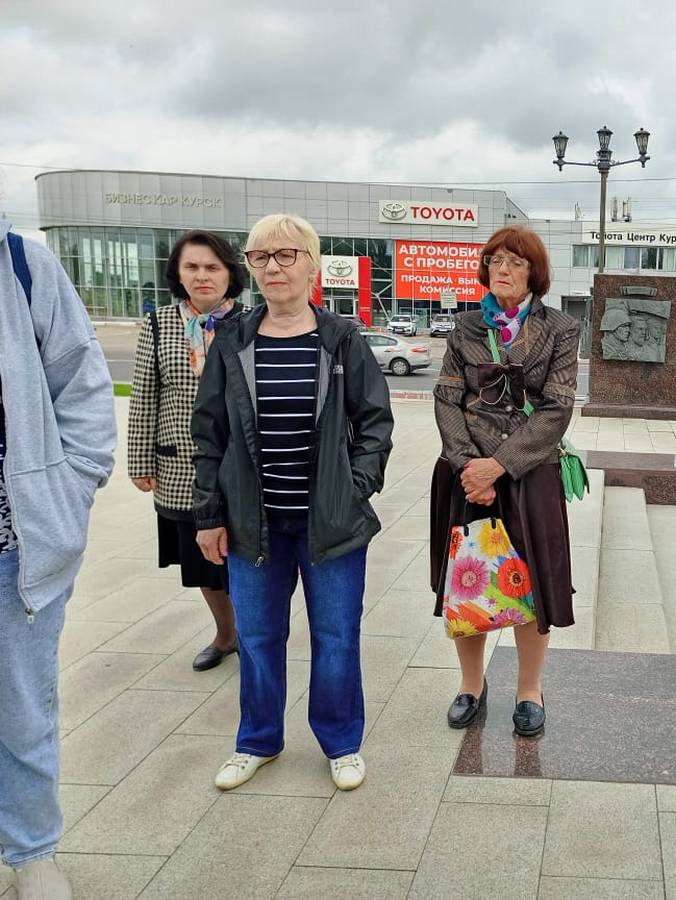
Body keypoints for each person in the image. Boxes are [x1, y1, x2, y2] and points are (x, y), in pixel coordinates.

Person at [191, 214, 393, 792]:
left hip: (330, 524)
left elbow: (375, 422)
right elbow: (209, 433)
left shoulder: (341, 338)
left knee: (337, 637)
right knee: (256, 638)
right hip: (252, 524)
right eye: (261, 257)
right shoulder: (233, 340)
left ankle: (341, 741)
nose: (273, 267)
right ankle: (257, 740)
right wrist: (209, 515)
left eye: (286, 255)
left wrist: (354, 488)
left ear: (311, 264)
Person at [0, 220, 117, 899]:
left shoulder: (22, 265)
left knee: (21, 705)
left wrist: (73, 488)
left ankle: (32, 849)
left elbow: (82, 382)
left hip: (15, 541)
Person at [431, 225, 580, 737]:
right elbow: (447, 397)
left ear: (534, 273)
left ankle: (528, 690)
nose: (504, 269)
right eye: (496, 260)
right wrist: (469, 466)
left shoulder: (560, 328)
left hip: (528, 474)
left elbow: (557, 407)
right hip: (465, 474)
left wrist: (499, 465)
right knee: (467, 577)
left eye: (516, 262)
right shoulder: (465, 326)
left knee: (531, 582)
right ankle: (471, 685)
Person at [128, 231, 245, 671]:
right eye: (191, 267)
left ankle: (255, 635)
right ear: (177, 273)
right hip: (179, 466)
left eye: (212, 267)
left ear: (229, 273)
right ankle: (226, 634)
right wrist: (139, 460)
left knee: (243, 556)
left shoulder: (251, 323)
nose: (202, 276)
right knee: (201, 563)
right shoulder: (159, 324)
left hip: (239, 465)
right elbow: (144, 396)